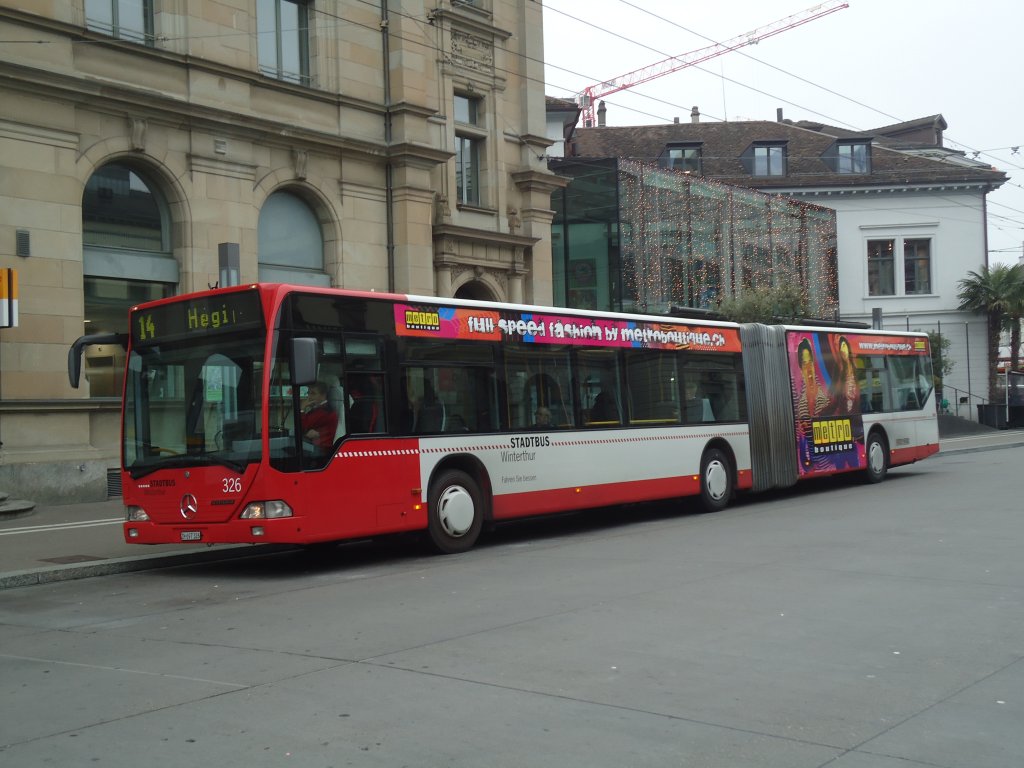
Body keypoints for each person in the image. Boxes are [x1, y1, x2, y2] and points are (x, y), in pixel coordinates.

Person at [300, 381, 338, 450]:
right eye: (308, 393)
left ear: (323, 395)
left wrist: (302, 409)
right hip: (315, 446)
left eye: (313, 394)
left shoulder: (325, 411)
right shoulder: (318, 408)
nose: (309, 397)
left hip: (322, 449)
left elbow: (303, 426)